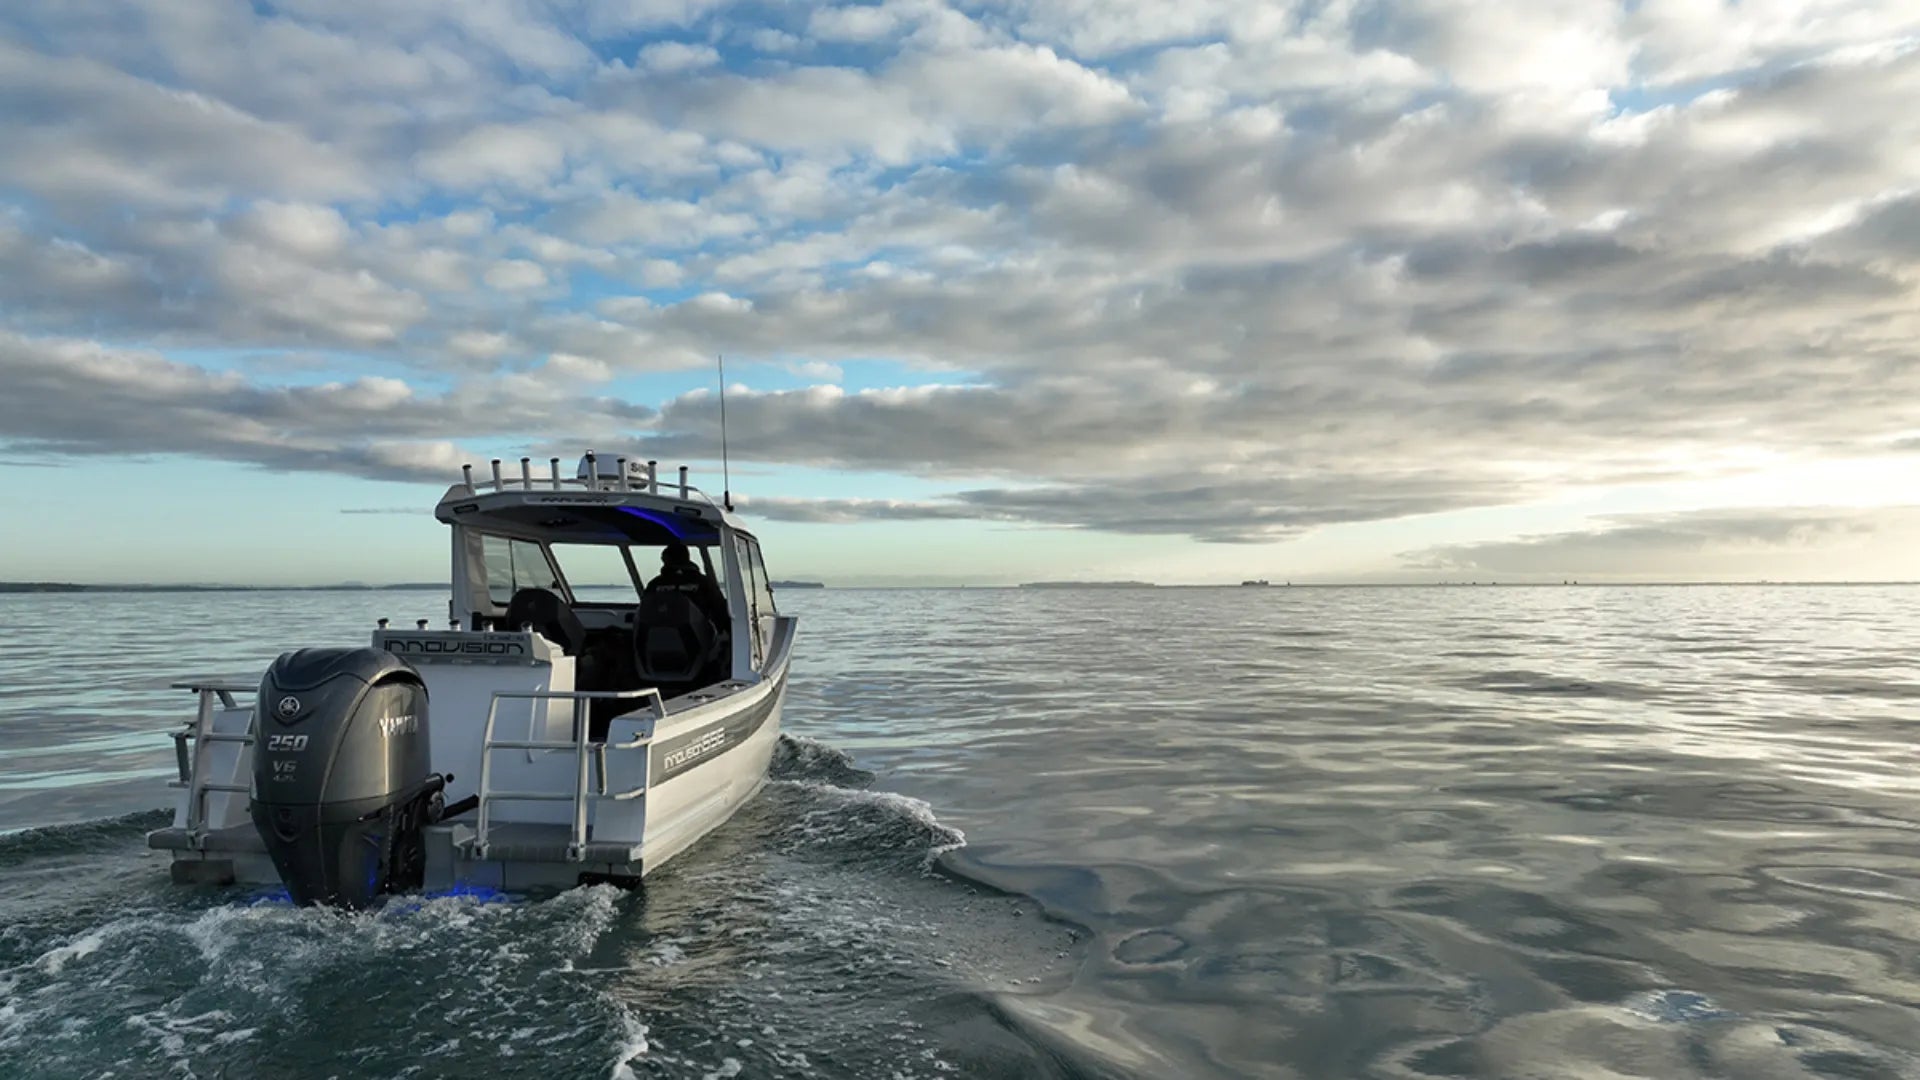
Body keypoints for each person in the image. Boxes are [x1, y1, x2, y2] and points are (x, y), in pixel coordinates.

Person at [646, 542, 730, 631]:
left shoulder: (654, 584)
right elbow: (720, 609)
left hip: (657, 635)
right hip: (697, 636)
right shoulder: (704, 582)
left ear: (666, 559)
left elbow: (645, 609)